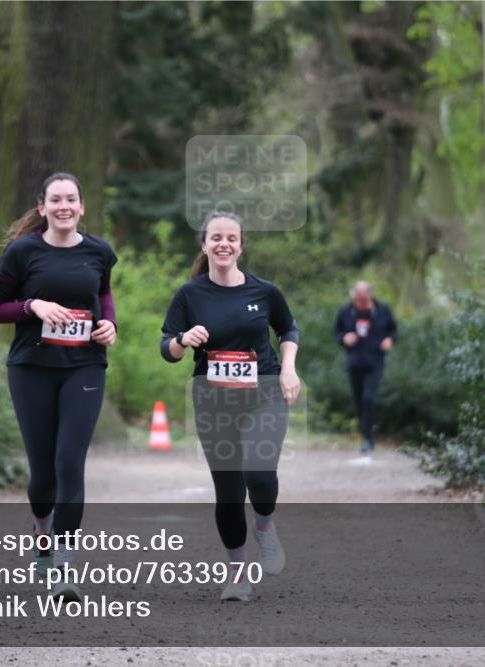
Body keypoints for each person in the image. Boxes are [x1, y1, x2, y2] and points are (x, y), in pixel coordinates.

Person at [0, 172, 117, 602]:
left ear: (81, 207)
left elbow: (104, 294)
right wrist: (32, 305)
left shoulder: (99, 251)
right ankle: (42, 540)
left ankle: (64, 566)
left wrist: (108, 326)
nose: (65, 206)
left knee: (69, 463)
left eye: (72, 199)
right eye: (56, 200)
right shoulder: (23, 252)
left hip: (84, 367)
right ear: (42, 208)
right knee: (43, 474)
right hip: (32, 368)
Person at [160, 211, 301, 602]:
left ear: (240, 245)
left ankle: (265, 525)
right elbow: (168, 349)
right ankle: (238, 575)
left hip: (265, 393)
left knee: (259, 473)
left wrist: (289, 370)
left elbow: (288, 329)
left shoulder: (264, 291)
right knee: (227, 490)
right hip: (213, 400)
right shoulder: (190, 294)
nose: (224, 244)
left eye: (231, 238)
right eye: (216, 238)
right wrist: (183, 339)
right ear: (204, 245)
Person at [334, 281, 396, 453]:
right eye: (357, 299)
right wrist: (344, 338)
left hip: (375, 362)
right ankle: (366, 431)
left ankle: (368, 438)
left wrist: (389, 339)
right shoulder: (346, 311)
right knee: (359, 400)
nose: (360, 302)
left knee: (369, 398)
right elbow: (337, 331)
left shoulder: (383, 310)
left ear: (370, 296)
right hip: (354, 362)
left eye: (363, 299)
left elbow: (393, 330)